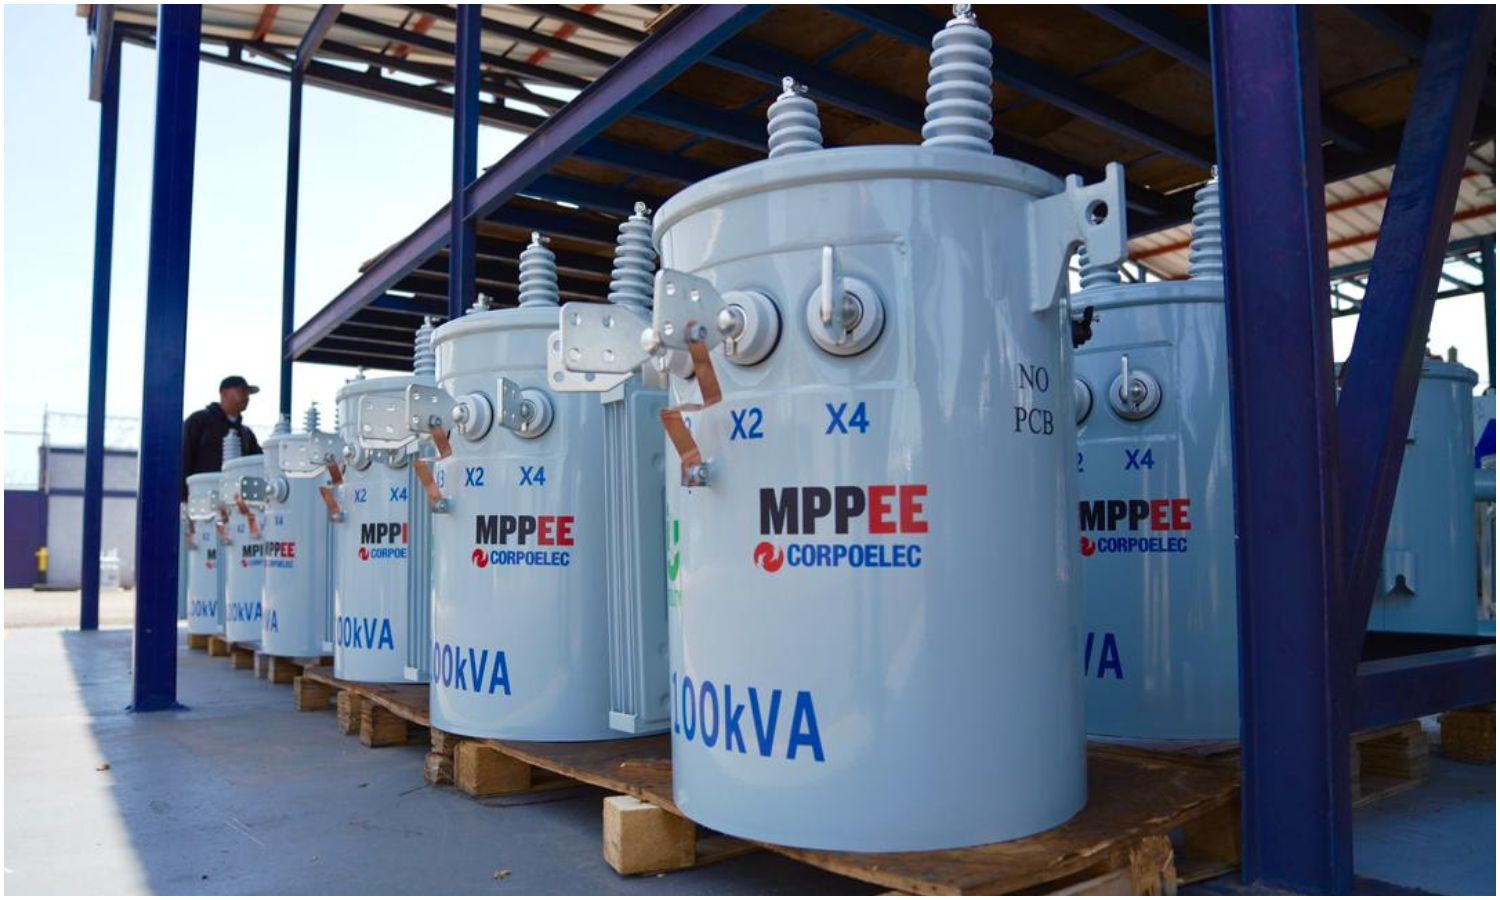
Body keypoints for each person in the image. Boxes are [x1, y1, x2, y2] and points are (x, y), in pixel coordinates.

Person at [182, 375, 263, 499]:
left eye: (248, 393)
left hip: (235, 503)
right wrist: (183, 496)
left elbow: (258, 465)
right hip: (201, 498)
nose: (246, 397)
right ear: (224, 393)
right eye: (241, 391)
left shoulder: (246, 434)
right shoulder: (199, 421)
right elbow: (183, 457)